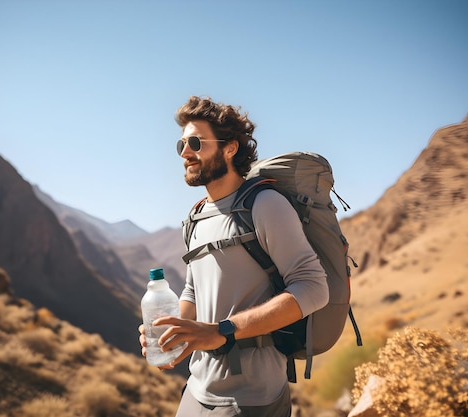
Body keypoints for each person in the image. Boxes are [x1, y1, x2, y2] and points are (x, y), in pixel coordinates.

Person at [139, 96, 329, 417]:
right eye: (181, 144)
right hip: (198, 387)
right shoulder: (196, 217)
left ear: (230, 148)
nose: (186, 153)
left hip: (253, 397)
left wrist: (221, 331)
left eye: (196, 142)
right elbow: (193, 291)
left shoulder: (265, 205)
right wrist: (176, 335)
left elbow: (313, 288)